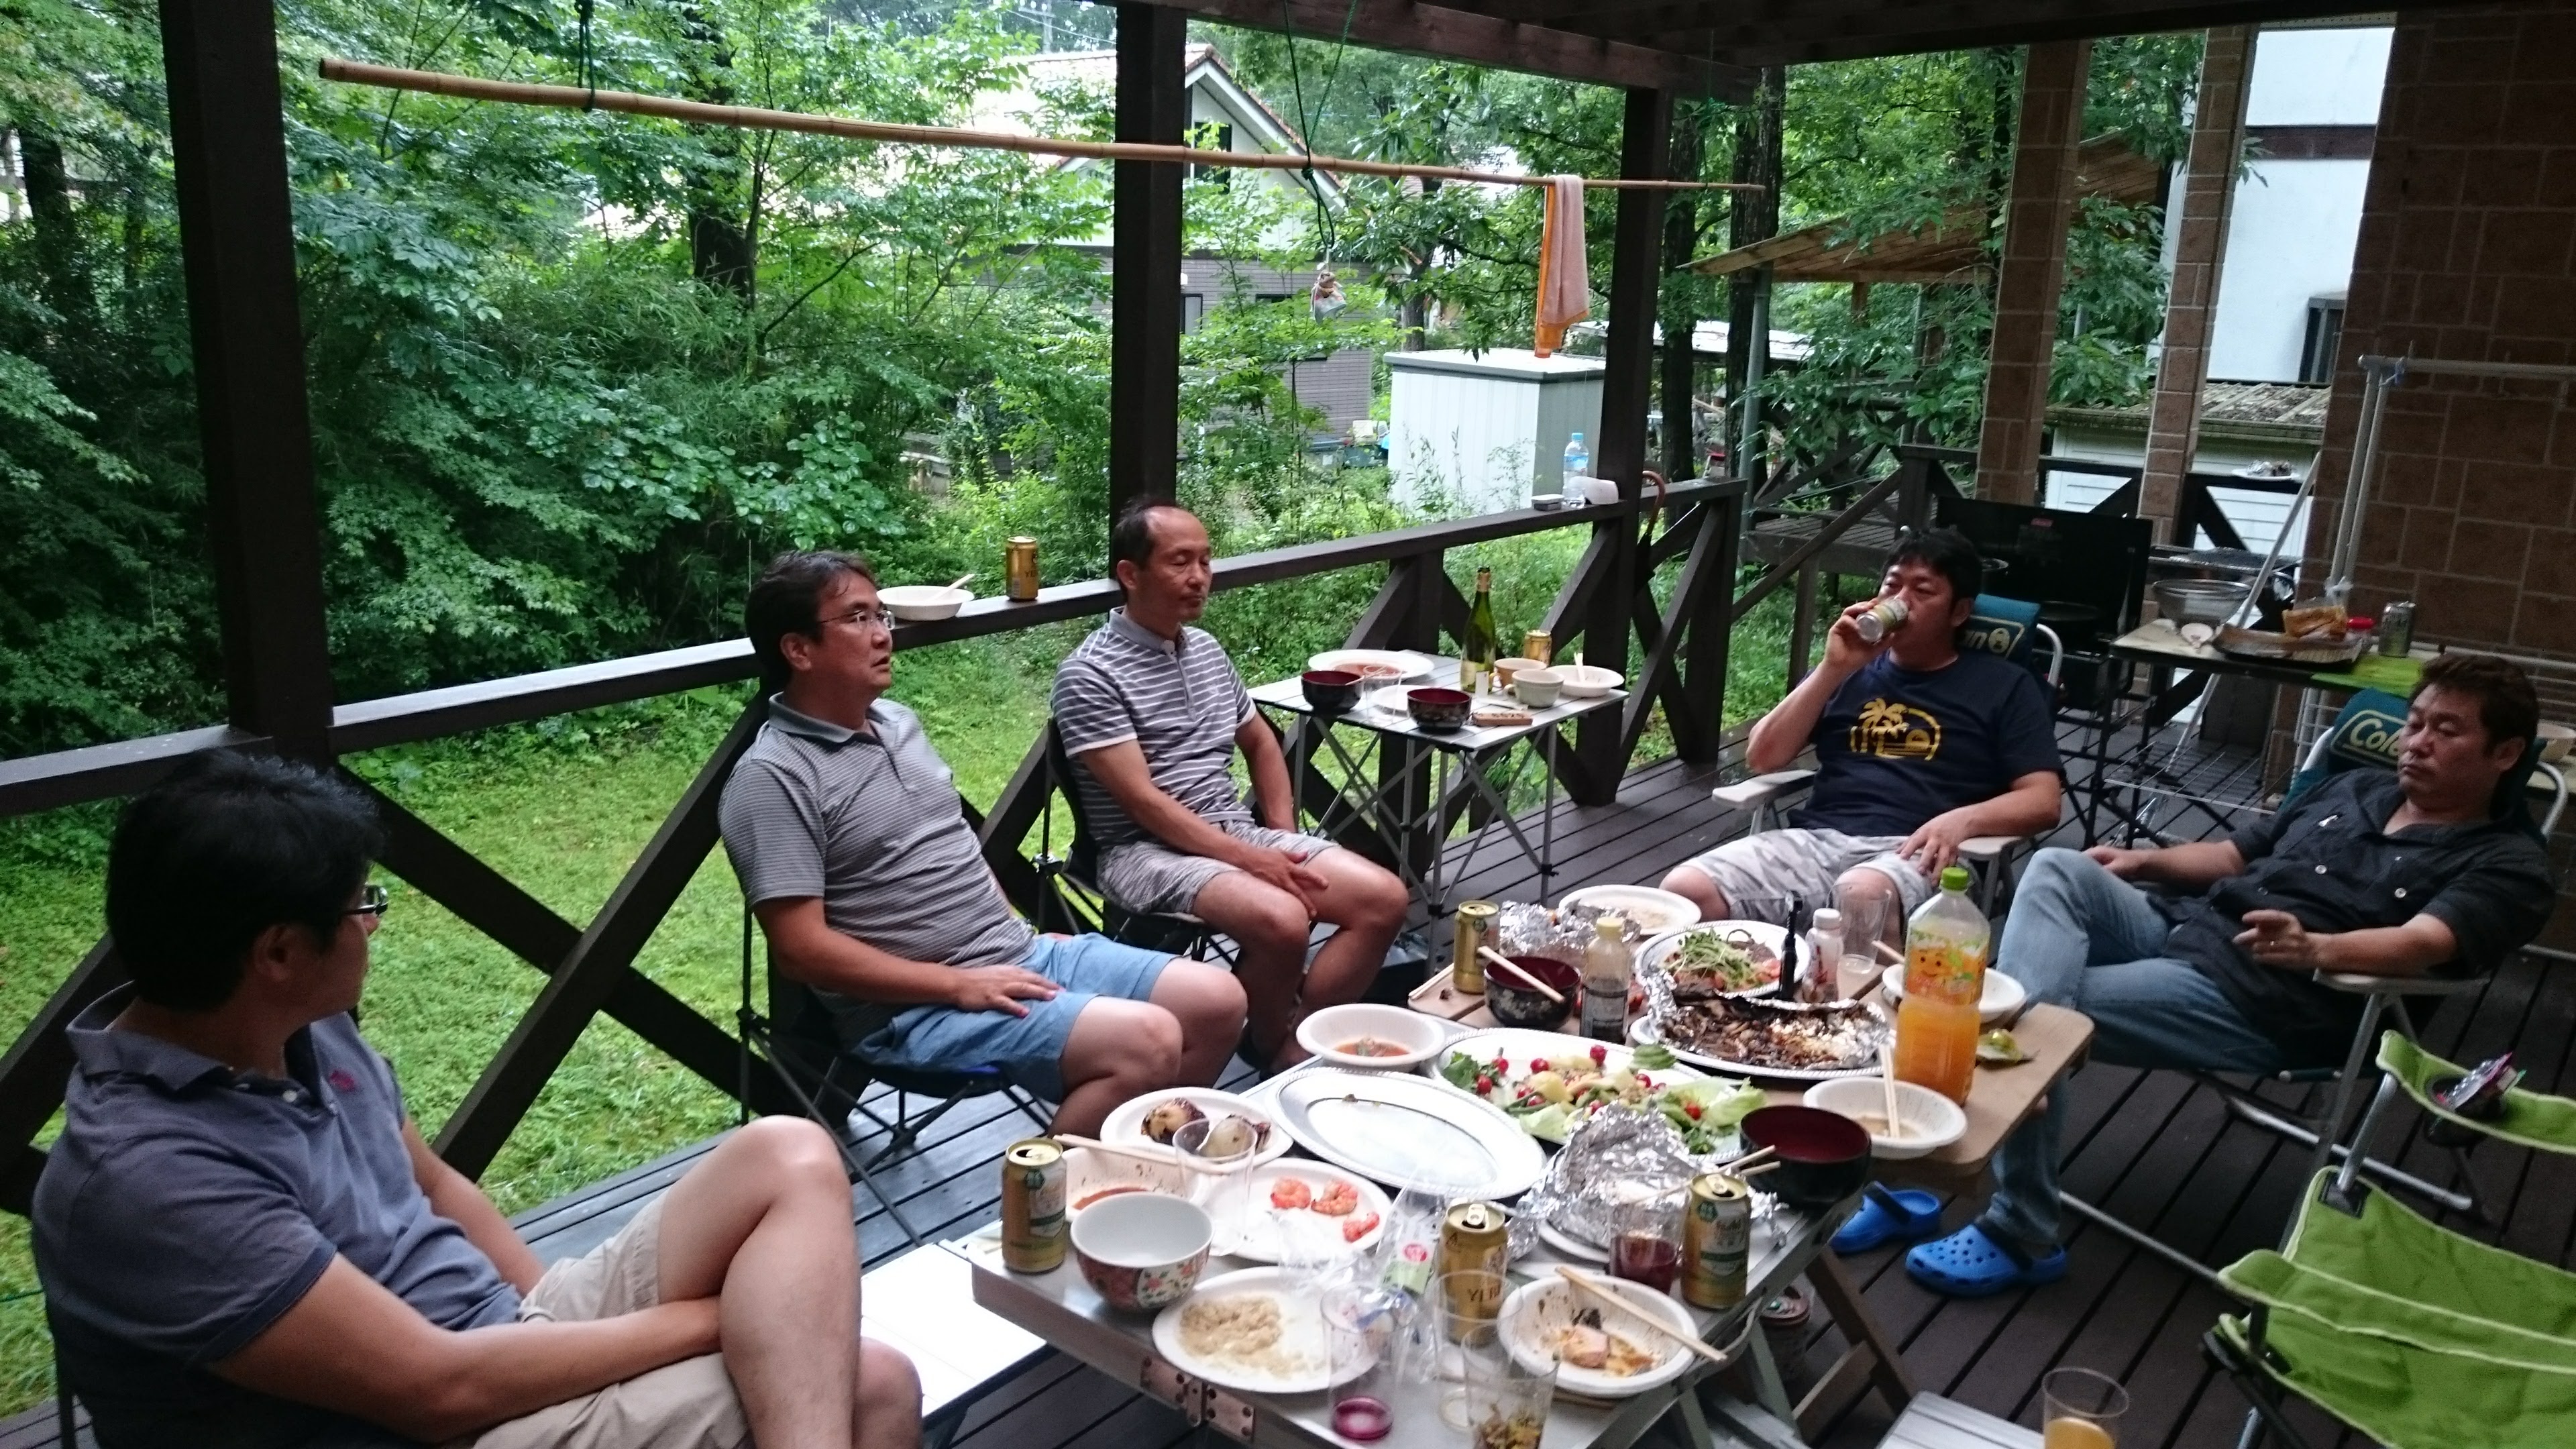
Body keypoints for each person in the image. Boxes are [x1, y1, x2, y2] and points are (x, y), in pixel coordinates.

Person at [32, 751, 920, 1449]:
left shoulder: (292, 1023)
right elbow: (436, 1391)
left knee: (788, 1151)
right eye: (359, 906)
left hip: (497, 1339)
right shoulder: (149, 1181)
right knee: (868, 1383)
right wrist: (721, 1321)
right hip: (430, 1420)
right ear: (278, 953)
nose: (372, 924)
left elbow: (433, 1186)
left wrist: (549, 1319)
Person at [1896, 653, 2555, 1297]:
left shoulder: (2509, 864)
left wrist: (2318, 948)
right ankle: (2024, 1065)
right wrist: (2140, 861)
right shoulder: (2356, 788)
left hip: (2269, 995)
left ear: (2505, 753)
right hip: (2190, 926)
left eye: (2446, 730)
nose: (2416, 742)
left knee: (2031, 1015)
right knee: (2057, 869)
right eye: (2414, 723)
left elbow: (2423, 942)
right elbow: (2233, 856)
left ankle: (2021, 1225)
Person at [722, 549, 1245, 1139]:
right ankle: (1044, 1194)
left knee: (1217, 1001)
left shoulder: (897, 722)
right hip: (912, 1010)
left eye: (880, 616)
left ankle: (1144, 1159)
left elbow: (951, 843)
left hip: (1014, 952)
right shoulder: (773, 777)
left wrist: (1012, 929)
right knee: (1146, 1040)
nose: (883, 634)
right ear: (798, 649)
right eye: (858, 618)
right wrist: (959, 984)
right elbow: (801, 950)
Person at [1053, 500, 1410, 1071]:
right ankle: (1271, 1048)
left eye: (1205, 561)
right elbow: (1142, 802)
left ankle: (1297, 1043)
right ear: (1130, 574)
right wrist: (1254, 860)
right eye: (1180, 562)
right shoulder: (1090, 674)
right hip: (1143, 852)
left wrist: (1283, 837)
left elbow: (1262, 744)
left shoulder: (1206, 651)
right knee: (1284, 919)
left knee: (1384, 899)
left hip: (1233, 831)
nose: (1199, 577)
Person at [1660, 527, 2064, 943]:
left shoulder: (2004, 685)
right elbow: (1762, 757)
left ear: (1959, 612)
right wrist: (1832, 669)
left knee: (1862, 897)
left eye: (1923, 591)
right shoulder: (1848, 670)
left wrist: (1964, 820)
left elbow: (2043, 800)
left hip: (1919, 852)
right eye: (1892, 586)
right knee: (1685, 891)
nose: (1900, 601)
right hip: (1817, 840)